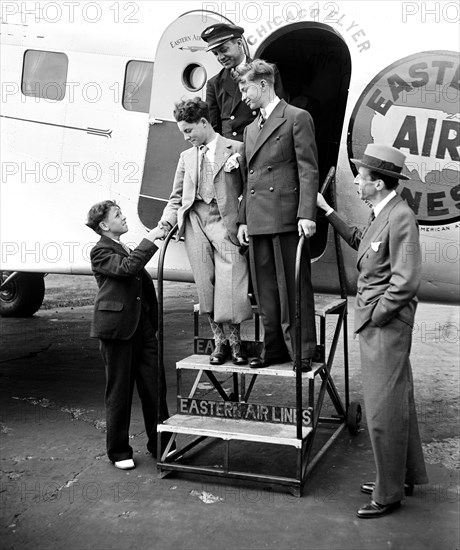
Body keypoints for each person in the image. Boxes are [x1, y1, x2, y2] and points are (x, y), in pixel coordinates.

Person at [316, 143, 428, 518]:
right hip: (379, 324)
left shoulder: (400, 218)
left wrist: (375, 317)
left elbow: (406, 281)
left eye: (362, 179)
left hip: (385, 326)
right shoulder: (384, 213)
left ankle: (388, 493)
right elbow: (361, 244)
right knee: (399, 402)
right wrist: (328, 212)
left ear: (379, 183)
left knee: (382, 411)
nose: (358, 185)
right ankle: (402, 477)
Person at [236, 59, 318, 371]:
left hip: (286, 216)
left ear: (263, 84)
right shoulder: (249, 129)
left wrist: (306, 213)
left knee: (293, 287)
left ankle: (301, 350)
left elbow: (308, 169)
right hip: (257, 218)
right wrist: (243, 218)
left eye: (246, 88)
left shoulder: (296, 117)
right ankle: (274, 349)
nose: (243, 96)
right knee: (265, 289)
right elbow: (249, 177)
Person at [159, 97, 252, 365]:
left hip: (225, 223)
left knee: (230, 280)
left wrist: (244, 221)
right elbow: (175, 198)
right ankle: (219, 343)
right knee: (205, 283)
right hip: (195, 223)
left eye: (188, 130)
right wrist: (166, 222)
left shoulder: (236, 148)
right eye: (183, 132)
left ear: (203, 122)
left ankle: (236, 342)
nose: (186, 137)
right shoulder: (186, 158)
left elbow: (249, 191)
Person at [86, 201, 170, 470]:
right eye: (118, 215)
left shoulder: (124, 248)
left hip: (142, 329)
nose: (123, 217)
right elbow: (126, 269)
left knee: (155, 389)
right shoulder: (100, 251)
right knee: (119, 392)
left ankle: (162, 446)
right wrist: (151, 238)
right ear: (104, 225)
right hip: (117, 331)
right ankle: (119, 451)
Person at [201, 23, 286, 142]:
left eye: (224, 50)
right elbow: (212, 128)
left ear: (239, 43)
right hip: (231, 151)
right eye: (215, 53)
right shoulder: (214, 84)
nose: (220, 57)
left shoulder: (267, 71)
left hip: (260, 145)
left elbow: (279, 115)